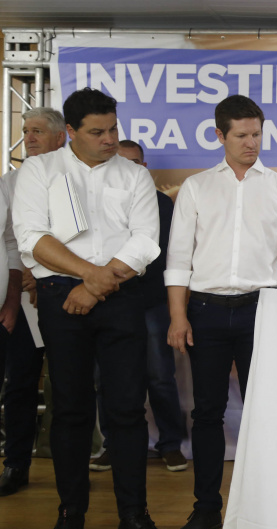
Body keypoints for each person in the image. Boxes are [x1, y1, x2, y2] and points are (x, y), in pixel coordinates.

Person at [12, 88, 165, 529]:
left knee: (126, 410)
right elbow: (33, 239)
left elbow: (145, 242)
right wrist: (87, 277)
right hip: (63, 298)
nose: (109, 139)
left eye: (114, 129)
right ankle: (70, 514)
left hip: (119, 297)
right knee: (72, 411)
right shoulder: (39, 170)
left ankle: (133, 515)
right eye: (97, 132)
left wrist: (95, 285)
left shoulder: (134, 175)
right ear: (72, 133)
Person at [165, 94, 277, 529]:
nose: (252, 143)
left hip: (262, 310)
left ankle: (267, 509)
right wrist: (177, 316)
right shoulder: (196, 187)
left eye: (257, 134)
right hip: (204, 311)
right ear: (219, 135)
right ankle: (206, 508)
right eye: (242, 135)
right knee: (206, 414)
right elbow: (178, 260)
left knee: (265, 413)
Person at [89, 140, 188, 473]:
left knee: (160, 376)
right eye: (123, 163)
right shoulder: (98, 200)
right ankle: (111, 444)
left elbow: (169, 254)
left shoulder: (162, 203)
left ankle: (171, 444)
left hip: (151, 301)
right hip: (108, 300)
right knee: (106, 378)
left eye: (136, 164)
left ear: (144, 169)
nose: (130, 169)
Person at [0, 107, 65, 497]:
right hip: (24, 301)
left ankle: (69, 466)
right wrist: (15, 293)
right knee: (20, 385)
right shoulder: (11, 182)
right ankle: (16, 464)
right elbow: (10, 242)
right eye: (26, 131)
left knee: (72, 387)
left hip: (70, 295)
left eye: (38, 131)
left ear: (61, 137)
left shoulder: (75, 177)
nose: (30, 138)